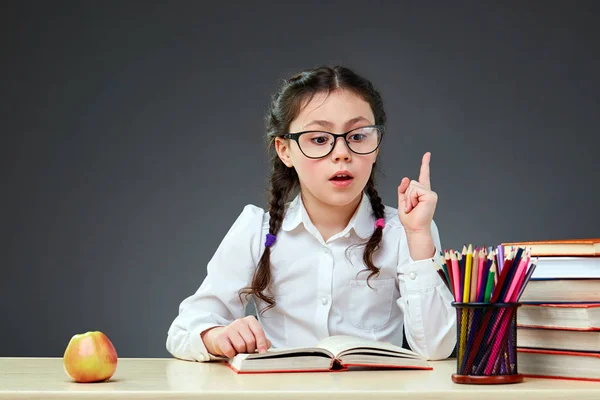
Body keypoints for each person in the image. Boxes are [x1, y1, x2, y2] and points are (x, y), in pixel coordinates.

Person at [166, 65, 456, 362]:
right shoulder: (257, 230)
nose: (341, 152)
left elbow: (436, 348)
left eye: (358, 136)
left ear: (376, 145)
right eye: (319, 139)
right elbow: (182, 331)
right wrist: (215, 336)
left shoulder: (405, 231)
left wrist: (419, 236)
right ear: (284, 150)